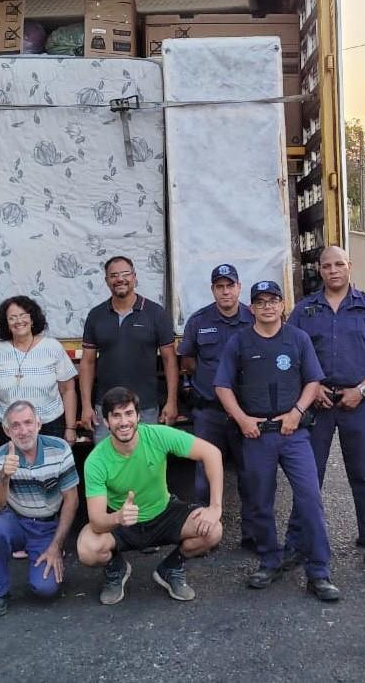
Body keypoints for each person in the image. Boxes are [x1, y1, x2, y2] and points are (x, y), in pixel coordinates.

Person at [215, 280, 341, 601]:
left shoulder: (298, 339)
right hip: (257, 434)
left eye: (273, 301)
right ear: (252, 308)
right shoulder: (239, 342)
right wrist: (242, 419)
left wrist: (298, 412)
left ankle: (319, 572)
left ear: (283, 305)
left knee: (310, 499)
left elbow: (313, 381)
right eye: (260, 302)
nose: (267, 307)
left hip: (293, 433)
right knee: (260, 503)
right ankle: (269, 561)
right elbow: (222, 386)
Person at [285, 246, 365, 575]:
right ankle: (296, 544)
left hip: (358, 402)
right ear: (319, 270)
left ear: (349, 266)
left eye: (339, 264)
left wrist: (362, 390)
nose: (333, 270)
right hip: (318, 404)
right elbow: (291, 355)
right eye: (327, 266)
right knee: (309, 477)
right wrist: (313, 387)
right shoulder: (305, 310)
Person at [76, 387, 223, 605]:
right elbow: (97, 521)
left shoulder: (157, 435)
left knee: (213, 531)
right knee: (87, 549)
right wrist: (118, 517)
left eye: (129, 413)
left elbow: (211, 453)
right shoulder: (96, 461)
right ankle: (116, 568)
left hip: (163, 512)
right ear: (106, 422)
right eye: (116, 416)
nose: (123, 422)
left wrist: (215, 507)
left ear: (138, 416)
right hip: (123, 521)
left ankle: (171, 567)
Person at [177, 264, 254, 546]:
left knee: (250, 474)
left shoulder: (254, 318)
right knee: (204, 478)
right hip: (209, 411)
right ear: (212, 290)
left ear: (239, 287)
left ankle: (253, 535)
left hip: (246, 413)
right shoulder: (199, 321)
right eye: (219, 287)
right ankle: (204, 536)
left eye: (230, 285)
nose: (225, 291)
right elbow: (188, 361)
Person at [0, 400, 79, 618]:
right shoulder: (0, 456)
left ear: (39, 424)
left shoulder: (60, 449)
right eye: (15, 425)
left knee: (45, 590)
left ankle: (52, 556)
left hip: (47, 525)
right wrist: (5, 476)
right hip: (16, 519)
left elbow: (71, 500)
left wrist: (56, 545)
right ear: (7, 430)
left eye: (28, 423)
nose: (23, 431)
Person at [78, 256, 178, 439]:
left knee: (146, 455)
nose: (120, 279)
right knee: (107, 457)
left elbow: (169, 360)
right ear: (106, 280)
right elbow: (87, 362)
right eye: (114, 275)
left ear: (134, 277)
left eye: (125, 274)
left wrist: (172, 402)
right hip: (106, 409)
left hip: (145, 407)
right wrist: (86, 406)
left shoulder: (156, 313)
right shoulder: (96, 315)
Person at [0, 296, 78, 451]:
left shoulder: (52, 347)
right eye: (12, 318)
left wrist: (70, 428)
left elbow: (68, 390)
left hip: (49, 425)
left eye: (23, 315)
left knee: (51, 466)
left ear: (32, 319)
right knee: (13, 466)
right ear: (6, 324)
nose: (18, 321)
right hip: (9, 429)